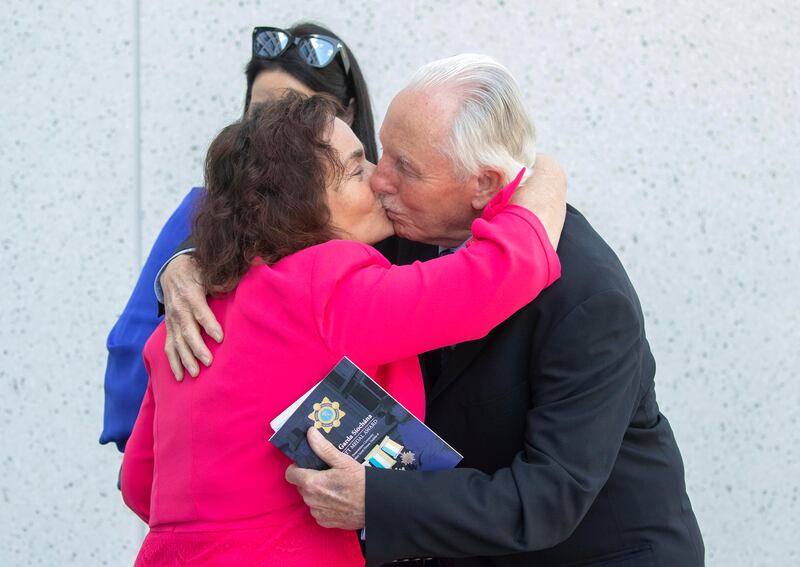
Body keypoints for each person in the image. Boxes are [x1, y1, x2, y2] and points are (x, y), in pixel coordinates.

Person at [163, 55, 704, 566]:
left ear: (484, 185)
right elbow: (282, 234)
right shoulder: (400, 227)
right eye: (381, 154)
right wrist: (187, 266)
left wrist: (380, 501)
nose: (379, 180)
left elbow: (547, 499)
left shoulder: (588, 295)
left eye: (405, 167)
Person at [120, 92, 565, 565]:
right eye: (356, 170)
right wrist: (546, 173)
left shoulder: (184, 322)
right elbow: (505, 271)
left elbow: (138, 484)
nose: (380, 178)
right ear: (300, 205)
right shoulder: (325, 287)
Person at [100, 22, 381, 451]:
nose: (283, 129)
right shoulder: (204, 220)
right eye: (262, 113)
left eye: (306, 110)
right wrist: (185, 259)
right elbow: (132, 356)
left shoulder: (392, 220)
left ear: (348, 116)